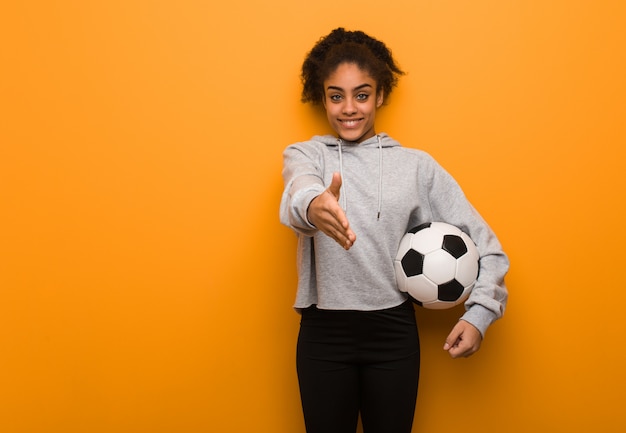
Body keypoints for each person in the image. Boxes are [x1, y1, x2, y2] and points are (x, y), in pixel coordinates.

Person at [279, 27, 509, 433]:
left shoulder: (417, 167)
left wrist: (480, 315)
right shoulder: (307, 155)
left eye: (362, 94)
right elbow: (299, 191)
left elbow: (488, 249)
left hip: (393, 334)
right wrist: (314, 205)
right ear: (323, 99)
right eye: (336, 96)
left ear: (381, 95)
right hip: (324, 335)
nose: (349, 108)